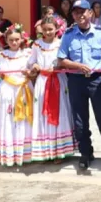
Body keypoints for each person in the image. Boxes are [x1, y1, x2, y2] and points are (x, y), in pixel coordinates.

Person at [58, 0, 101, 170]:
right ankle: (86, 153)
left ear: (91, 13)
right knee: (80, 121)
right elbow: (61, 59)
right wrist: (78, 66)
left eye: (83, 11)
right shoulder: (68, 35)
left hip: (97, 80)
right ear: (73, 15)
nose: (80, 15)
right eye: (76, 12)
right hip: (76, 80)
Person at [28, 17, 75, 163]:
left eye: (50, 29)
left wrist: (58, 67)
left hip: (58, 80)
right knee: (43, 113)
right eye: (45, 29)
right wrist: (35, 66)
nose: (48, 32)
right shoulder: (37, 44)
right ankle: (45, 150)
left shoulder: (62, 43)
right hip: (42, 82)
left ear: (57, 29)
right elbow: (31, 62)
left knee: (60, 112)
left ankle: (59, 150)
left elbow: (67, 61)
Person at [0, 24, 33, 166]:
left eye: (17, 39)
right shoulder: (0, 55)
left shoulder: (28, 53)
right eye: (11, 40)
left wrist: (30, 73)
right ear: (6, 40)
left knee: (23, 120)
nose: (14, 42)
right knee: (7, 119)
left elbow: (34, 71)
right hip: (7, 89)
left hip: (23, 88)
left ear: (22, 39)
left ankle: (25, 153)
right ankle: (8, 153)